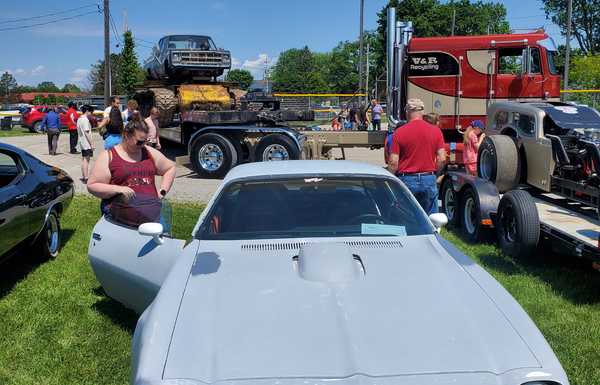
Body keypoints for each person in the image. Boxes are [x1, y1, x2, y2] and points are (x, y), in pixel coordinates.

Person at [87, 114, 176, 227]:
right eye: (139, 142)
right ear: (126, 136)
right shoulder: (108, 156)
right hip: (120, 221)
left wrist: (162, 191)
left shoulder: (148, 152)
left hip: (152, 220)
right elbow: (92, 185)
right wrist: (118, 189)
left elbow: (170, 168)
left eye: (146, 141)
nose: (143, 145)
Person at [387, 98, 446, 215]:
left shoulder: (399, 132)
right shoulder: (436, 131)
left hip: (407, 179)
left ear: (407, 111)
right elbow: (442, 158)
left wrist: (390, 178)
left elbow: (393, 162)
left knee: (407, 216)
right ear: (422, 111)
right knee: (430, 218)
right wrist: (435, 174)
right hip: (428, 177)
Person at [77, 105, 94, 183]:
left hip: (82, 141)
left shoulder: (79, 119)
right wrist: (92, 143)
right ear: (87, 111)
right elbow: (87, 132)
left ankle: (84, 176)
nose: (91, 113)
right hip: (86, 143)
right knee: (86, 160)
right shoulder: (85, 120)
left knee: (84, 159)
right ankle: (86, 177)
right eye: (91, 112)